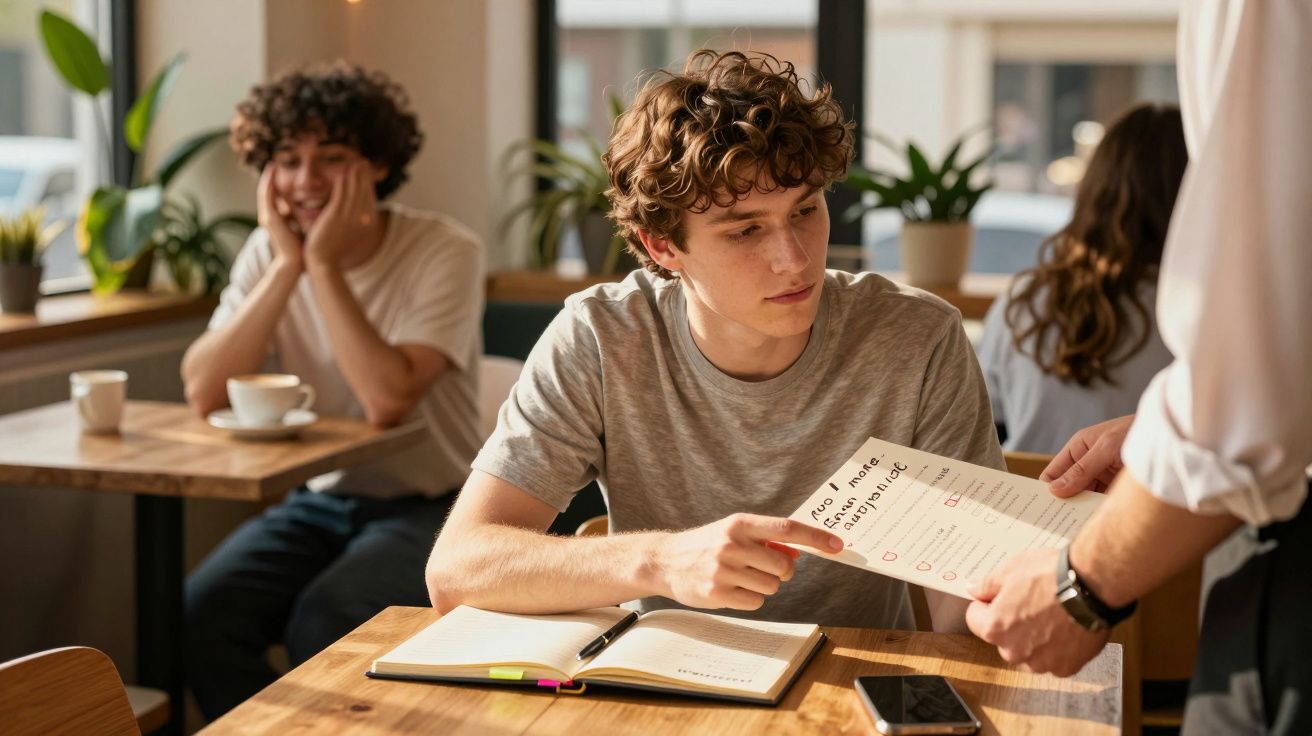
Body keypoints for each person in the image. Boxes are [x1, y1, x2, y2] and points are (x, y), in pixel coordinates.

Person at [425, 49, 1004, 632]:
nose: (794, 260)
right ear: (662, 247)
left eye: (805, 210)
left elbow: (965, 602)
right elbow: (456, 569)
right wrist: (661, 561)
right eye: (746, 229)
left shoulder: (917, 336)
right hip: (667, 689)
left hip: (857, 694)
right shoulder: (603, 337)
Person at [963, 2, 1312, 733]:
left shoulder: (1024, 306)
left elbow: (1245, 409)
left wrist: (1078, 589)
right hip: (1182, 648)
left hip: (1208, 605)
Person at [179, 62, 484, 720]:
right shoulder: (269, 253)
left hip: (436, 508)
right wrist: (288, 262)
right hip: (319, 501)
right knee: (198, 614)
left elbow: (386, 400)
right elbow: (203, 390)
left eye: (333, 157)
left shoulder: (444, 250)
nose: (306, 180)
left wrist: (320, 264)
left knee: (328, 620)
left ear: (376, 164)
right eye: (287, 160)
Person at [977, 104, 1187, 456]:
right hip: (1142, 506)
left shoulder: (1024, 300)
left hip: (1026, 502)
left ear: (1095, 187)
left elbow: (984, 425)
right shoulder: (1198, 315)